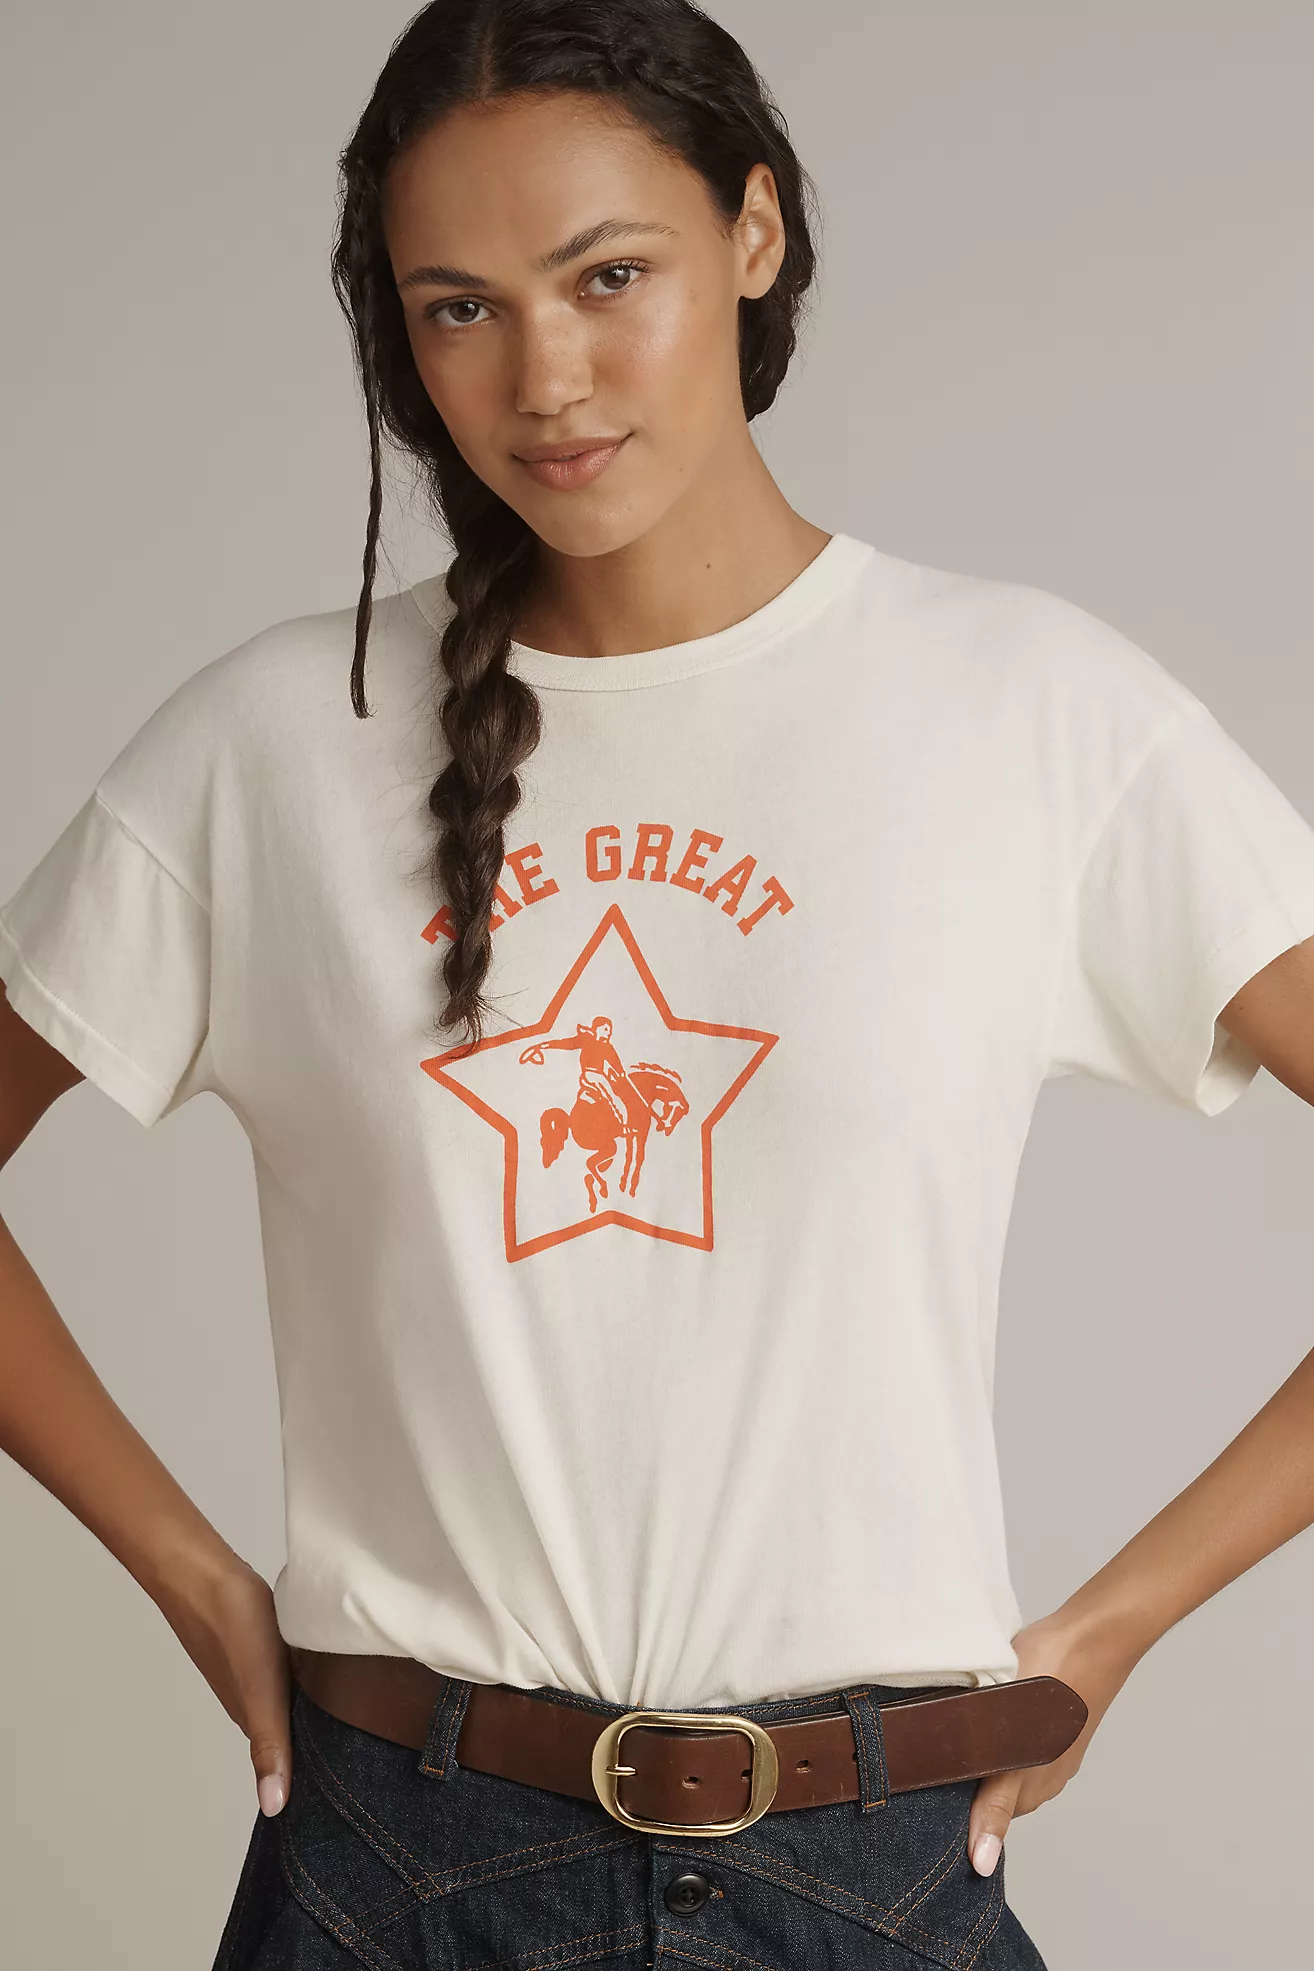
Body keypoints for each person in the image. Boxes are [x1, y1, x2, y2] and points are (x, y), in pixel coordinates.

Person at [3, 2, 1314, 1966]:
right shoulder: (271, 742)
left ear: (753, 233)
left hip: (869, 1872)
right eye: (458, 309)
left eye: (609, 275)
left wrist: (1117, 1621)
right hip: (395, 1872)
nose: (544, 377)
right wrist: (199, 1582)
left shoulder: (1029, 709)